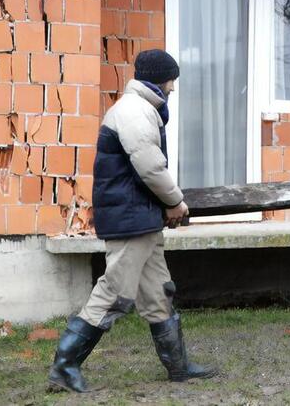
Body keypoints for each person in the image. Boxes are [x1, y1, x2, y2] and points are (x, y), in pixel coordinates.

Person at [49, 50, 217, 393]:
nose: (173, 86)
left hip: (140, 217)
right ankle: (65, 367)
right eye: (172, 79)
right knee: (114, 293)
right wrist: (175, 203)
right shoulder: (133, 111)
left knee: (158, 292)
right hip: (130, 220)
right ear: (160, 78)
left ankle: (178, 367)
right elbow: (150, 167)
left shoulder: (142, 108)